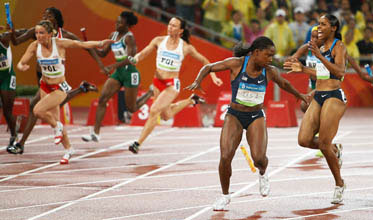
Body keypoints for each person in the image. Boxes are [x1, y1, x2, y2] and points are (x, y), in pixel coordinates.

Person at [186, 36, 308, 211]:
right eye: (268, 55)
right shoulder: (236, 64)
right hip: (234, 115)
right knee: (225, 156)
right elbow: (208, 67)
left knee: (258, 158)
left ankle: (263, 172)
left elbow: (284, 83)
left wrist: (301, 95)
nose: (271, 59)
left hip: (255, 116)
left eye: (272, 56)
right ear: (256, 52)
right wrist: (198, 81)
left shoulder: (270, 70)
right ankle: (224, 195)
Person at [6, 7, 101, 155]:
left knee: (38, 107)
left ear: (56, 20)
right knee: (43, 109)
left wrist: (100, 62)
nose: (45, 17)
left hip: (57, 77)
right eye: (44, 15)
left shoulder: (65, 36)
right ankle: (66, 148)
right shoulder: (37, 31)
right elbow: (16, 41)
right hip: (42, 76)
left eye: (49, 15)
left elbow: (84, 46)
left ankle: (21, 144)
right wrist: (12, 33)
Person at [16, 20, 112, 164]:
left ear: (50, 34)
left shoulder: (60, 43)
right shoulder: (34, 46)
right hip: (44, 86)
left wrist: (99, 43)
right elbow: (22, 61)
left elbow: (81, 44)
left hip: (60, 87)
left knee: (37, 111)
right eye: (36, 33)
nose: (38, 36)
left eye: (41, 33)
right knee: (55, 120)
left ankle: (58, 128)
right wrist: (21, 66)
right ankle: (68, 149)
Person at [126, 16, 223, 153]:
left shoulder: (186, 47)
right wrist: (135, 59)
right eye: (169, 24)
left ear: (181, 31)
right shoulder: (158, 41)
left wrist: (213, 75)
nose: (170, 27)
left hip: (171, 85)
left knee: (154, 110)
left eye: (174, 26)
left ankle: (137, 143)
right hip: (157, 82)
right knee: (166, 115)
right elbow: (143, 53)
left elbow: (205, 61)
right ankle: (191, 100)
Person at [284, 14, 347, 204]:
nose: (319, 27)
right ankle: (335, 149)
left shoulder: (339, 46)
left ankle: (339, 183)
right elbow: (321, 73)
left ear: (333, 28)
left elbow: (339, 72)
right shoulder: (317, 46)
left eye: (323, 24)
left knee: (323, 144)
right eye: (318, 24)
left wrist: (319, 56)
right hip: (318, 94)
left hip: (334, 96)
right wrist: (300, 68)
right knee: (303, 140)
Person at [287, 25, 373, 158]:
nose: (314, 40)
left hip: (328, 84)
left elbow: (350, 61)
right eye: (312, 36)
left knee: (318, 111)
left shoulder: (332, 49)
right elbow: (293, 57)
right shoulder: (307, 47)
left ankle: (324, 140)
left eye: (317, 36)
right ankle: (325, 141)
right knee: (305, 106)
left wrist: (363, 75)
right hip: (314, 83)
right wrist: (292, 60)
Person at [81, 11, 155, 142]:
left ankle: (150, 92)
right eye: (116, 21)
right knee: (103, 99)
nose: (117, 24)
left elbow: (131, 59)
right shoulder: (113, 35)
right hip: (118, 73)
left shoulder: (129, 38)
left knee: (131, 108)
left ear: (127, 25)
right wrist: (89, 47)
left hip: (130, 73)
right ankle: (95, 133)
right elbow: (103, 53)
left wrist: (112, 66)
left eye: (120, 22)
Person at [0, 26, 27, 149]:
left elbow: (23, 31)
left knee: (7, 110)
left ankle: (13, 135)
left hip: (7, 78)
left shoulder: (4, 38)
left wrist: (14, 30)